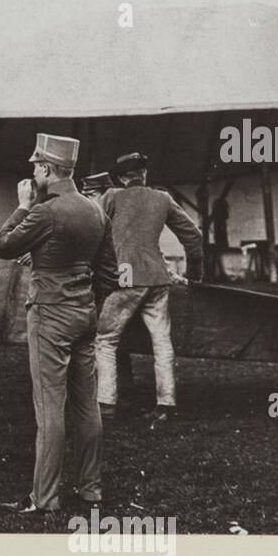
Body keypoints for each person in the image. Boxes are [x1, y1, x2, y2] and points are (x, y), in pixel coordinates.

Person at [0, 134, 120, 514]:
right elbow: (110, 274)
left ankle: (44, 498)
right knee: (86, 405)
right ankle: (91, 489)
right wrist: (85, 299)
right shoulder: (96, 210)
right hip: (85, 314)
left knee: (50, 408)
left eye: (36, 167)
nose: (33, 172)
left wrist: (21, 207)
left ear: (47, 170)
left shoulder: (44, 211)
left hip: (50, 314)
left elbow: (3, 246)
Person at [93, 151, 204, 422]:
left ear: (120, 178)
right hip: (158, 277)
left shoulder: (110, 197)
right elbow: (193, 236)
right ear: (144, 174)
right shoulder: (162, 198)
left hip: (126, 277)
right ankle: (166, 405)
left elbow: (91, 232)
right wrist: (194, 274)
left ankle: (105, 404)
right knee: (162, 343)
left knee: (105, 340)